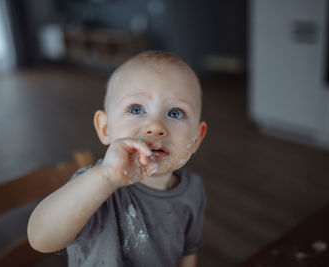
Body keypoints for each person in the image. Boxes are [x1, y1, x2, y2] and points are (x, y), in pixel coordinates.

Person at [27, 51, 208, 267]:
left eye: (176, 113)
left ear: (197, 138)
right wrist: (106, 177)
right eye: (136, 109)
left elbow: (188, 254)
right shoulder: (96, 188)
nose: (156, 127)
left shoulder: (193, 190)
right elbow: (40, 238)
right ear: (105, 128)